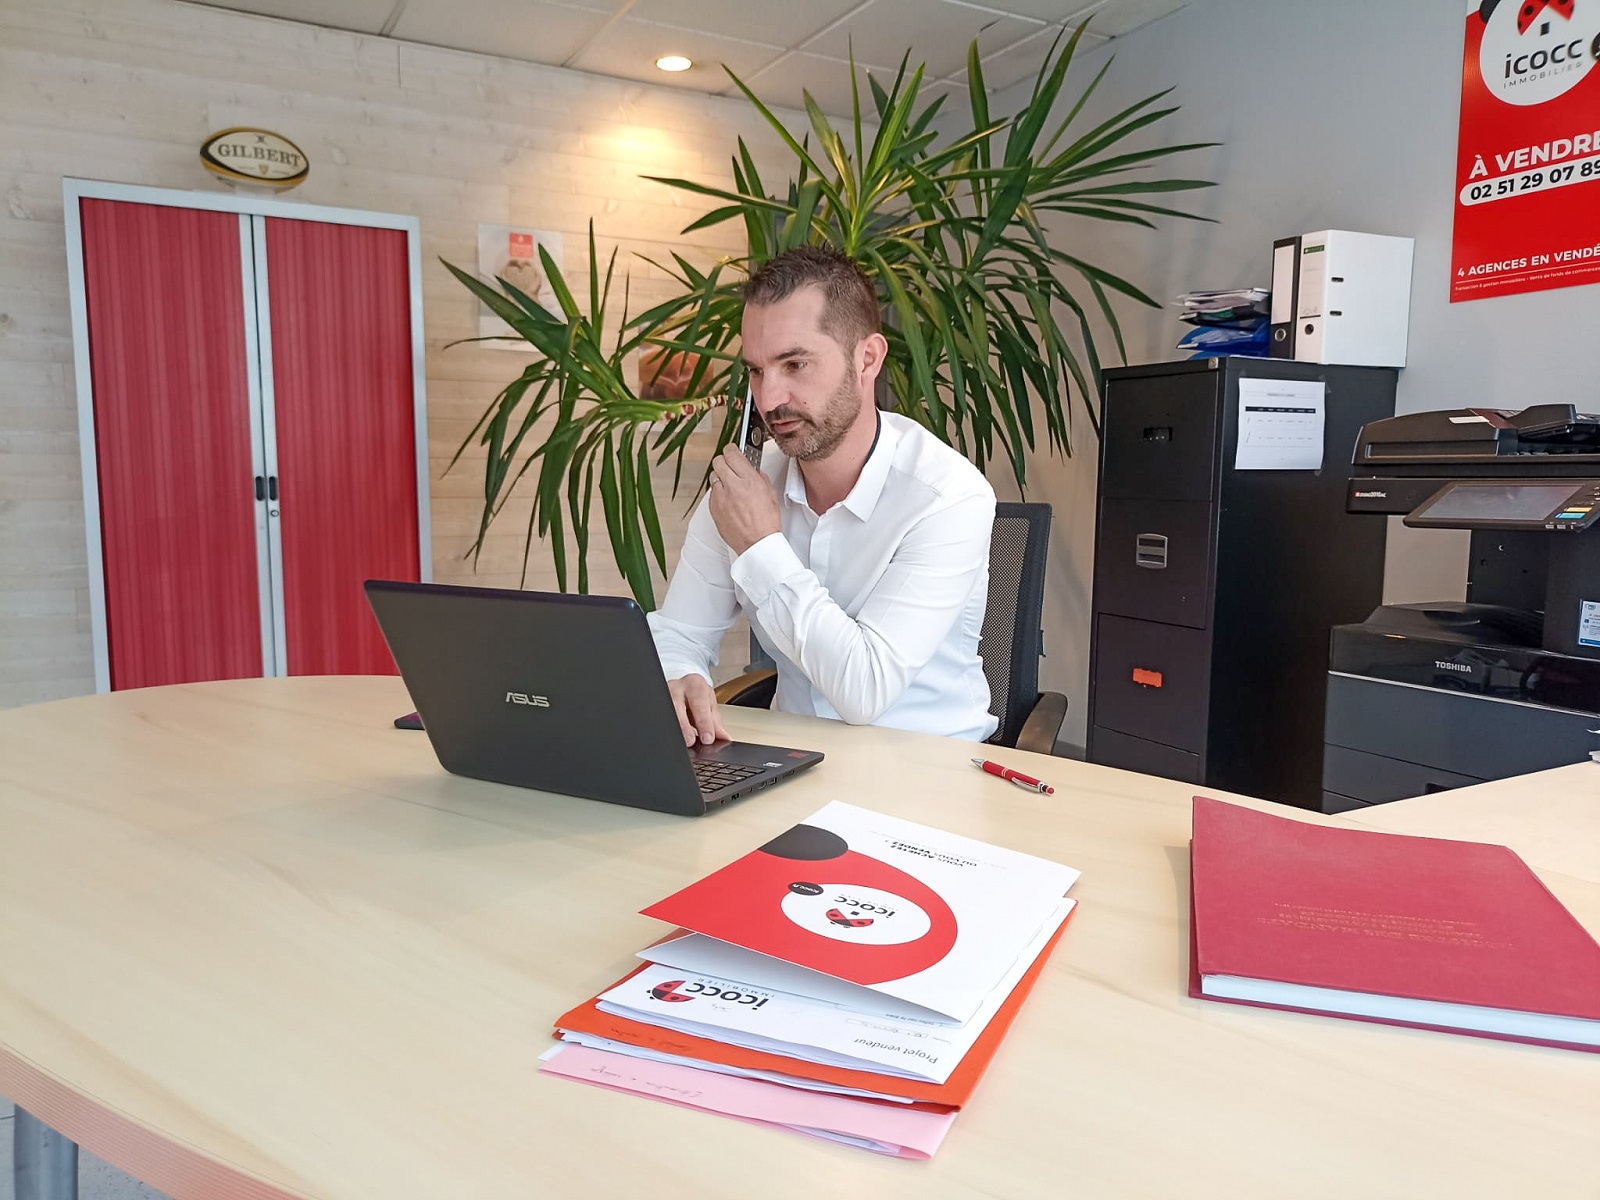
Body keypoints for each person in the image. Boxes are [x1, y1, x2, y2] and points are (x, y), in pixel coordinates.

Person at [647, 245, 998, 745]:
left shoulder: (948, 497)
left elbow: (865, 690)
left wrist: (761, 545)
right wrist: (681, 675)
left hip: (928, 767)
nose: (769, 399)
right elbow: (679, 632)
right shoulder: (745, 488)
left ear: (867, 359)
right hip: (791, 759)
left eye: (795, 364)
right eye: (756, 371)